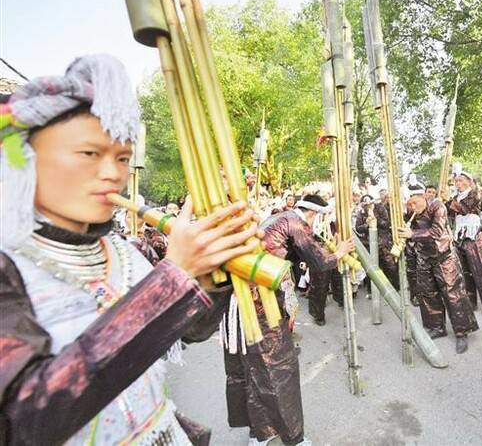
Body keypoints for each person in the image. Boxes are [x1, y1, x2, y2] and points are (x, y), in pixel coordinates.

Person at [0, 55, 257, 445]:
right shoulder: (7, 263)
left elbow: (182, 334)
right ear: (29, 157)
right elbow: (27, 417)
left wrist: (208, 277)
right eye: (90, 154)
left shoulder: (120, 251)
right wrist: (173, 278)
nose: (113, 174)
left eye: (122, 158)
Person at [220, 194, 352, 445]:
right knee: (278, 370)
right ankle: (294, 438)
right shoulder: (296, 222)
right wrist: (341, 252)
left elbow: (304, 250)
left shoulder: (277, 217)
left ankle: (260, 433)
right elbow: (319, 261)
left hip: (239, 301)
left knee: (252, 368)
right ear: (313, 214)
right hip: (260, 304)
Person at [399, 178, 478, 354]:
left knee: (453, 292)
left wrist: (412, 234)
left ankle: (461, 331)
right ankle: (437, 327)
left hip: (444, 255)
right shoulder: (410, 209)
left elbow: (436, 232)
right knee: (427, 293)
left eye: (415, 201)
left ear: (424, 196)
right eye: (409, 202)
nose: (412, 205)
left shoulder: (438, 207)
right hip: (424, 256)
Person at [447, 166, 482, 322]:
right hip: (460, 237)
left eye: (461, 180)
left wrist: (450, 202)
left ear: (469, 182)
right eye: (456, 181)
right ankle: (471, 302)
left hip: (475, 238)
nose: (458, 183)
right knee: (465, 273)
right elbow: (449, 212)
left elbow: (465, 209)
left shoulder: (476, 193)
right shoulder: (455, 197)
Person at [373, 190, 400, 290]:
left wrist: (377, 220)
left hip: (389, 238)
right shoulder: (378, 207)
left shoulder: (395, 208)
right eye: (386, 197)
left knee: (391, 264)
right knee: (381, 265)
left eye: (390, 197)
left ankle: (396, 285)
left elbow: (387, 223)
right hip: (379, 238)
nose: (388, 199)